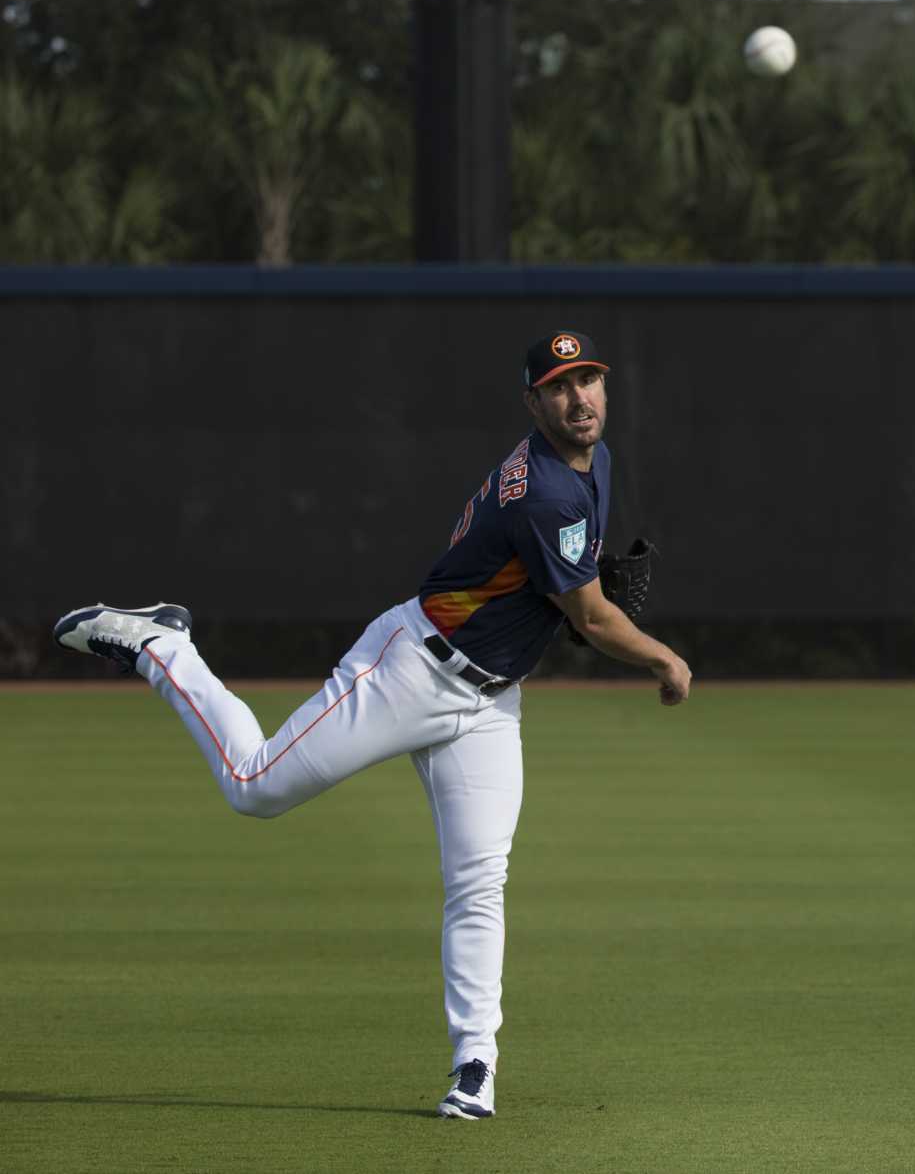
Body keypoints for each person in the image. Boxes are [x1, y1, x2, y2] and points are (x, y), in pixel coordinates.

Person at [54, 330, 693, 1121]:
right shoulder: (546, 491)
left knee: (478, 881)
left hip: (490, 702)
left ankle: (475, 1064)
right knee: (253, 784)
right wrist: (664, 658)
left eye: (589, 378)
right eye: (561, 385)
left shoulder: (594, 463)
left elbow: (562, 594)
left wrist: (564, 607)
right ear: (534, 402)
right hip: (412, 667)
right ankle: (164, 647)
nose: (581, 397)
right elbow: (593, 617)